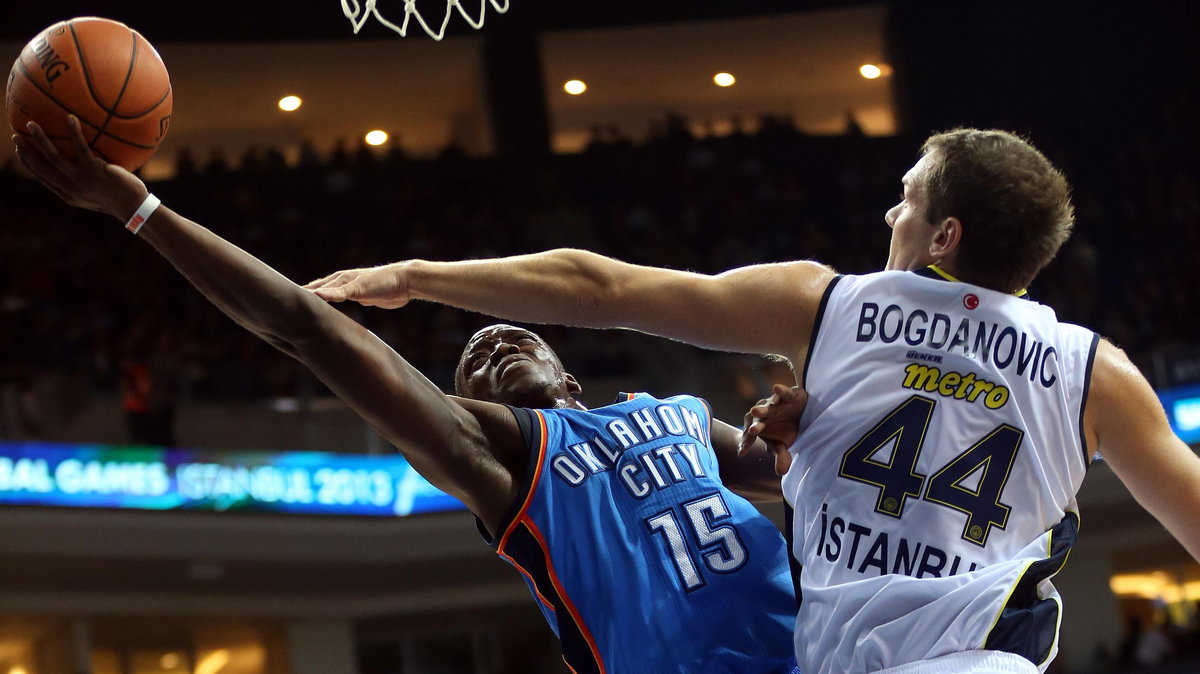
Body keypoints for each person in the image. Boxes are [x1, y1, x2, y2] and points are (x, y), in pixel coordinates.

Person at [305, 128, 1200, 674]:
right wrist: (808, 441)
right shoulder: (1096, 373)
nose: (890, 216)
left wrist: (414, 277)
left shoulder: (828, 304)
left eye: (905, 201)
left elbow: (597, 286)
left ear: (943, 235)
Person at [12, 116, 802, 674]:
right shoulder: (508, 467)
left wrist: (795, 424)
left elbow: (791, 469)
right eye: (470, 362)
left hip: (816, 648)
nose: (487, 339)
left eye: (506, 336)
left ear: (570, 376)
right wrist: (137, 208)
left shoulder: (678, 414)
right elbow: (309, 330)